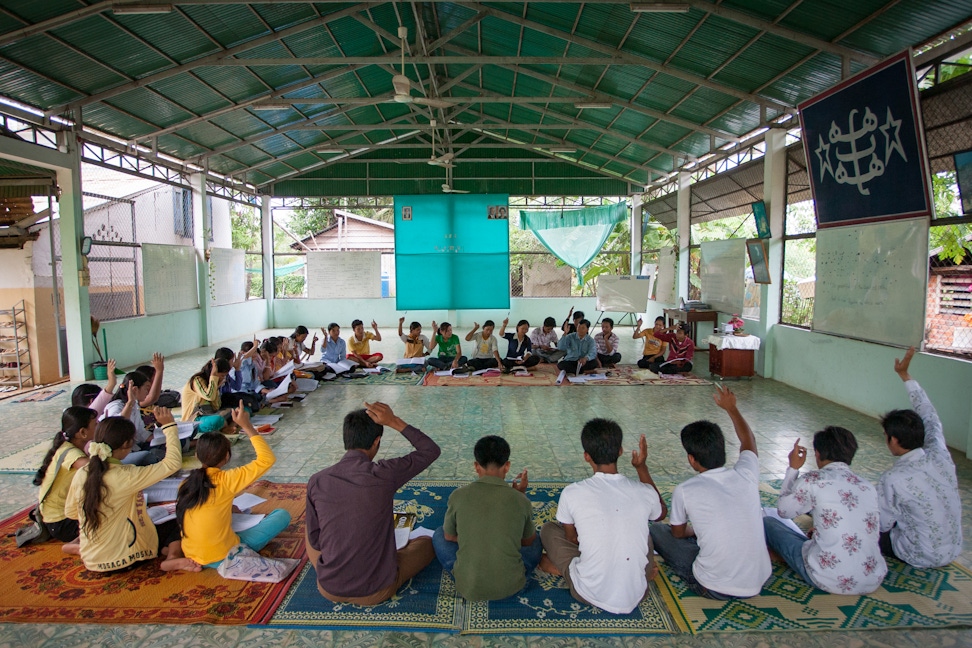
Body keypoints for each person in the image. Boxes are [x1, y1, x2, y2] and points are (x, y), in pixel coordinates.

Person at [305, 402, 441, 605]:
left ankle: (339, 570)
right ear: (377, 441)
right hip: (376, 589)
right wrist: (393, 421)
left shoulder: (317, 480)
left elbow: (316, 541)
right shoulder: (384, 474)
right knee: (428, 543)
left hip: (328, 588)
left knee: (309, 530)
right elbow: (430, 450)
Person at [650, 386, 771, 599]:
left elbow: (678, 533)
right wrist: (732, 409)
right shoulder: (746, 474)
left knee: (658, 531)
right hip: (759, 580)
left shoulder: (686, 490)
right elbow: (749, 442)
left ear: (691, 459)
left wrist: (693, 531)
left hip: (713, 587)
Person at [539, 419, 666, 614]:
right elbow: (661, 513)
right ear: (620, 451)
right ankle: (631, 571)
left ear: (586, 456)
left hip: (588, 592)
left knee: (548, 530)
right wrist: (642, 468)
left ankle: (565, 570)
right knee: (643, 528)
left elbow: (572, 538)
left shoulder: (572, 493)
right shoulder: (644, 491)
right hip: (637, 592)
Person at [64, 409, 198, 573]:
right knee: (179, 520)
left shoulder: (82, 473)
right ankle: (172, 557)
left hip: (92, 560)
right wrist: (170, 426)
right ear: (127, 445)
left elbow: (71, 512)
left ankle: (164, 551)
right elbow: (172, 464)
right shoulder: (126, 476)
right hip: (124, 559)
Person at [764, 428, 887, 595]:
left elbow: (784, 511)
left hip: (827, 577)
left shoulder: (813, 480)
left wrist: (792, 469)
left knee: (769, 523)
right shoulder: (867, 486)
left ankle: (783, 554)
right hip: (872, 578)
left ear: (818, 453)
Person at [176, 404, 292, 569]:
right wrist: (247, 426)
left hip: (191, 553)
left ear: (196, 455)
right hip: (223, 555)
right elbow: (266, 460)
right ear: (226, 457)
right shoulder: (226, 480)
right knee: (282, 515)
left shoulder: (186, 482)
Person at [876, 347, 962, 568]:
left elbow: (882, 524)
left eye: (885, 436)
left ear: (894, 440)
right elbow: (930, 415)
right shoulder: (939, 453)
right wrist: (905, 376)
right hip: (953, 548)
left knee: (854, 519)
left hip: (919, 554)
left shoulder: (893, 478)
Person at [433, 435, 541, 601]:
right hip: (513, 586)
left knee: (439, 534)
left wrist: (472, 537)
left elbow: (449, 536)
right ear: (507, 466)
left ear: (476, 466)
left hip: (468, 586)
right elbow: (527, 542)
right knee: (537, 538)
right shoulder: (521, 500)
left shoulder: (458, 495)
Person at [33, 406, 95, 545]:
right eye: (95, 424)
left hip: (58, 519)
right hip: (61, 523)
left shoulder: (68, 447)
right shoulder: (73, 455)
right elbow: (99, 471)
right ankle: (75, 546)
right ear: (83, 432)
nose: (98, 426)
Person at [102, 371, 161, 466]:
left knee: (171, 444)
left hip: (134, 447)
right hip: (119, 455)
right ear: (134, 389)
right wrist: (130, 402)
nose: (148, 392)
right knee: (148, 456)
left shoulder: (134, 405)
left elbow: (141, 433)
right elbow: (118, 427)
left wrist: (165, 437)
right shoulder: (115, 406)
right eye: (146, 388)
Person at [180, 358, 230, 433]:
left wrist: (216, 388)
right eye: (222, 375)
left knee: (240, 412)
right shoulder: (197, 380)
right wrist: (213, 377)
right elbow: (209, 396)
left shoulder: (212, 383)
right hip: (195, 419)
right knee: (217, 420)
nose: (223, 378)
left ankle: (226, 427)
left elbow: (216, 406)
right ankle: (225, 427)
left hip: (210, 414)